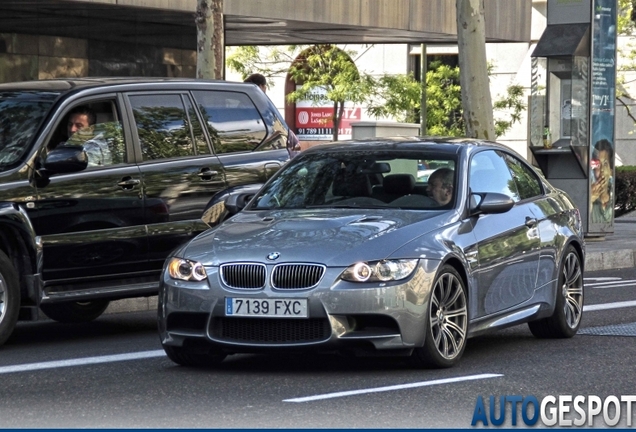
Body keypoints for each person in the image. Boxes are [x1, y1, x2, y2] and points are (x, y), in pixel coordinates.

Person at [590, 138, 614, 224]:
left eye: (605, 164)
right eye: (598, 165)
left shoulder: (615, 193)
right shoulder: (588, 193)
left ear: (611, 170)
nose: (602, 170)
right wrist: (590, 199)